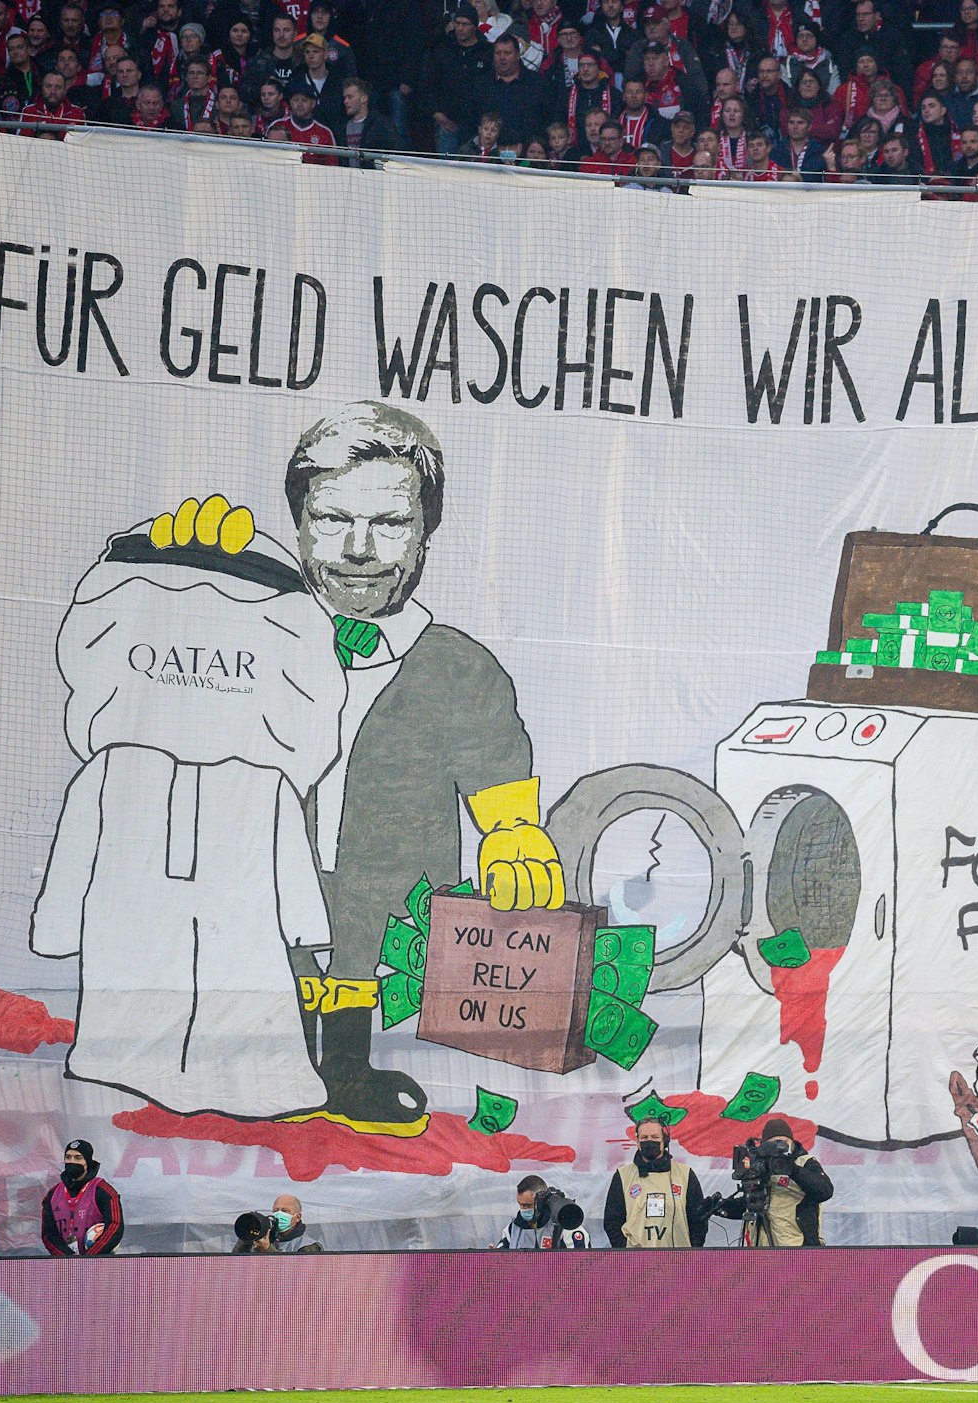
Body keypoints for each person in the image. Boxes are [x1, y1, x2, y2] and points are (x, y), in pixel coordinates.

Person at [285, 402, 564, 1135]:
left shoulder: (458, 667)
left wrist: (511, 833)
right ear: (299, 522)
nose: (358, 548)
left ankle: (345, 1070)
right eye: (332, 517)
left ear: (425, 533)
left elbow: (494, 761)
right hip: (270, 893)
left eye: (390, 523)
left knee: (355, 964)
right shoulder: (258, 646)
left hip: (385, 897)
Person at [712, 1117, 834, 1246]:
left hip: (797, 1248)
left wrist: (792, 1170)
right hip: (762, 1249)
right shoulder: (761, 1166)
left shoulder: (804, 1162)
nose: (778, 1148)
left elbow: (825, 1191)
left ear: (792, 1143)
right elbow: (751, 1203)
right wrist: (719, 1206)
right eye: (773, 1143)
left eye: (783, 1143)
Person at [603, 1118, 713, 1248]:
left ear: (664, 1141)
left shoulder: (685, 1174)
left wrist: (692, 1248)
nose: (649, 1141)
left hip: (678, 1259)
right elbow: (612, 1221)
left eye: (655, 1137)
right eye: (644, 1137)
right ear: (637, 1142)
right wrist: (625, 1249)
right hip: (635, 1260)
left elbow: (699, 1219)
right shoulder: (622, 1176)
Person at [39, 1139, 124, 1255]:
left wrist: (90, 1257)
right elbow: (48, 1234)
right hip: (66, 1265)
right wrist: (68, 1258)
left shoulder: (103, 1190)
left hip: (101, 1262)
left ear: (87, 1161)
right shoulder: (53, 1194)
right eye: (68, 1157)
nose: (72, 1161)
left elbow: (115, 1226)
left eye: (78, 1158)